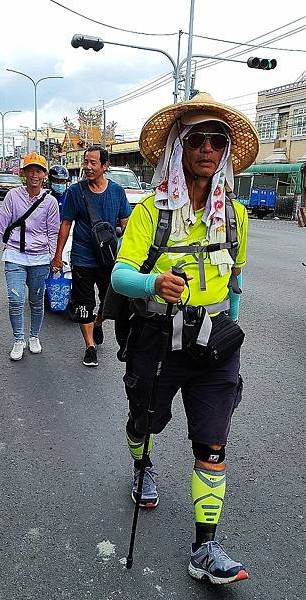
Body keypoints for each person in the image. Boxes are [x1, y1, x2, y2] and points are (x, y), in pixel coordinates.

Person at [111, 92, 258, 584]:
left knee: (213, 444)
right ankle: (142, 462)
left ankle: (205, 548)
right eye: (198, 139)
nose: (209, 149)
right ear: (179, 147)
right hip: (158, 340)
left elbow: (234, 280)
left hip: (216, 348)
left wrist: (231, 327)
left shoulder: (234, 215)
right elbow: (120, 276)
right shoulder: (154, 210)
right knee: (144, 421)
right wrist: (153, 282)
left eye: (218, 141)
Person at [51, 145, 131, 368]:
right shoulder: (76, 192)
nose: (87, 167)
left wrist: (133, 254)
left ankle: (98, 323)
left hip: (109, 258)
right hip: (82, 257)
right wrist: (58, 256)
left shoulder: (117, 192)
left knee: (110, 301)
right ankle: (89, 346)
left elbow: (126, 224)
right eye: (85, 162)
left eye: (92, 163)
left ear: (105, 166)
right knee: (84, 304)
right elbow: (65, 224)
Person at [0, 152, 60, 361]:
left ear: (44, 175)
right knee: (15, 300)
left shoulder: (50, 202)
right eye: (31, 170)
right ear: (23, 173)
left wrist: (54, 259)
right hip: (14, 255)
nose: (35, 175)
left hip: (41, 258)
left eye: (39, 171)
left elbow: (53, 232)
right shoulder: (13, 196)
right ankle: (18, 340)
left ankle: (34, 336)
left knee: (36, 300)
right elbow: (0, 225)